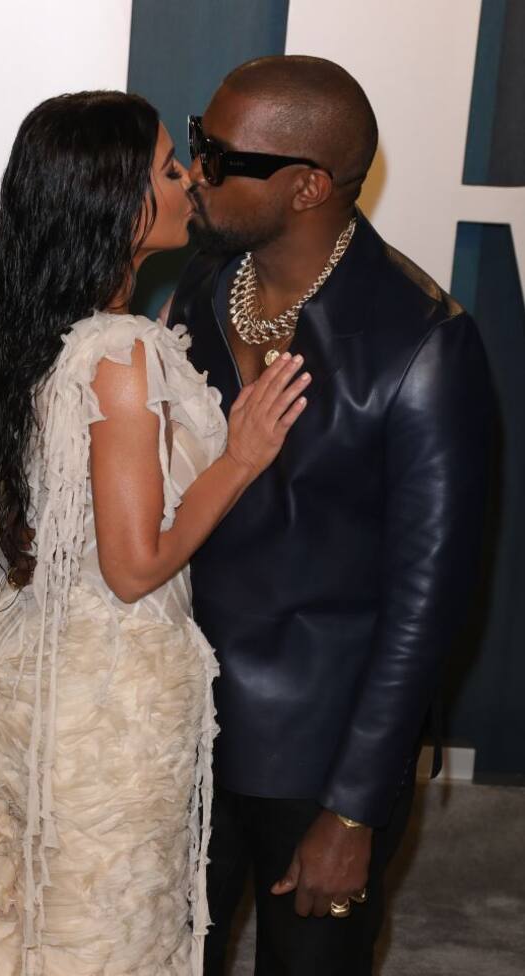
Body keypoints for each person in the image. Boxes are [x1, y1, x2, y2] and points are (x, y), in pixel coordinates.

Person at [0, 91, 311, 976]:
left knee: (28, 926)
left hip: (47, 675)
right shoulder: (119, 354)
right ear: (119, 202)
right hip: (109, 710)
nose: (191, 180)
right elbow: (133, 567)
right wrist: (241, 456)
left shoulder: (55, 329)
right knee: (99, 940)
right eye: (168, 169)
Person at [167, 56, 494, 975]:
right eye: (196, 141)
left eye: (220, 156)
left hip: (317, 761)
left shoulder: (421, 344)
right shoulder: (201, 287)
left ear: (308, 186)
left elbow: (427, 609)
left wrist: (354, 809)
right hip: (177, 725)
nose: (195, 170)